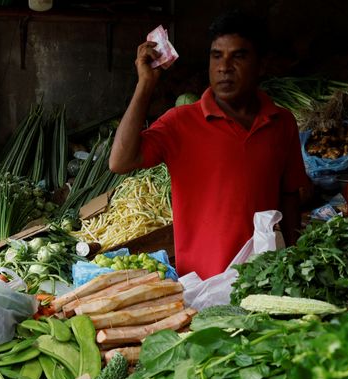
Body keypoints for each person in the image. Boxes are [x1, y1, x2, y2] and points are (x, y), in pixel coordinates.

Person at [109, 10, 310, 279]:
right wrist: (146, 84)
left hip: (264, 278)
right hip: (202, 284)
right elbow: (120, 161)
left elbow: (289, 195)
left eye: (238, 56)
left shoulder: (280, 122)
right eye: (217, 56)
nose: (224, 66)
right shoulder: (180, 122)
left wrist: (293, 258)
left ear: (262, 64)